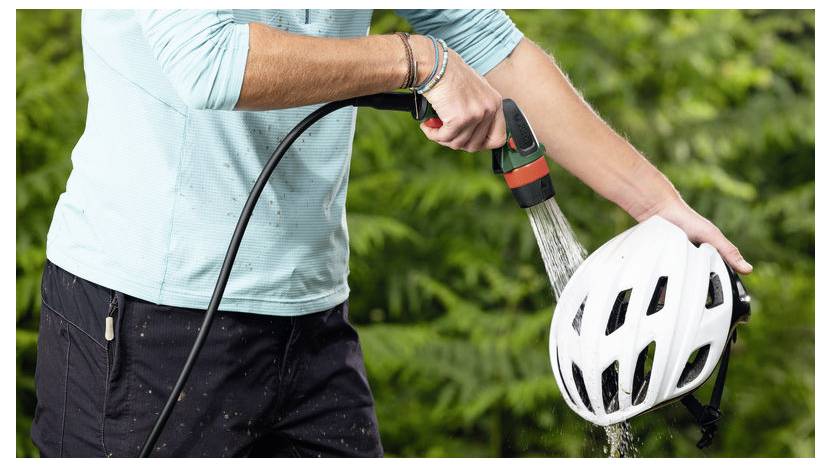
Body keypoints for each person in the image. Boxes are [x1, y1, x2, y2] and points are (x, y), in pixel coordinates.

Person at [31, 9, 753, 458]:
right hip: (143, 321)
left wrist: (659, 206)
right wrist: (416, 62)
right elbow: (210, 60)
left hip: (308, 319)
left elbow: (486, 41)